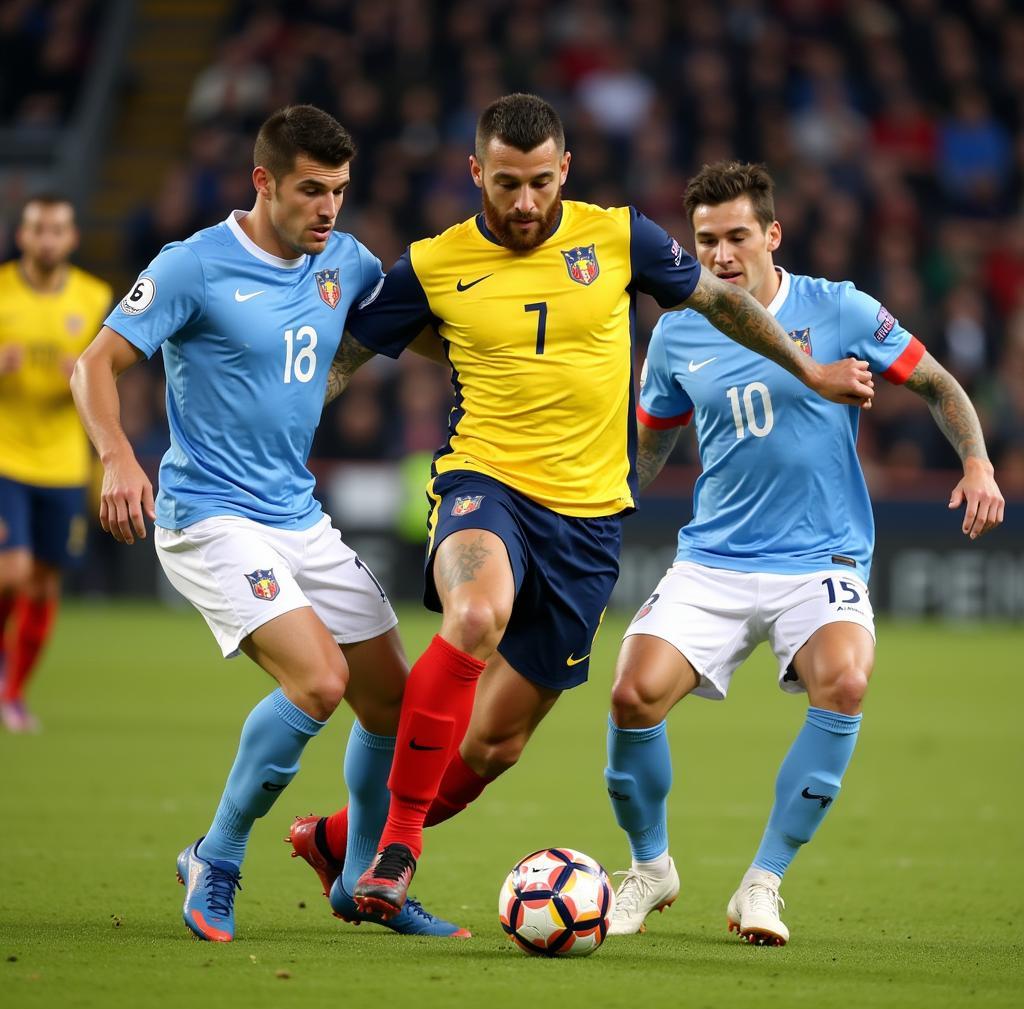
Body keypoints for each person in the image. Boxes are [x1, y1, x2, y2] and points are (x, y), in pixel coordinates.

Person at [290, 94, 875, 921]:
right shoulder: (435, 264)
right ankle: (397, 850)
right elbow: (338, 361)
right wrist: (265, 432)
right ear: (475, 174)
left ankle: (337, 839)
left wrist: (810, 369)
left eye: (538, 182)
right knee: (474, 617)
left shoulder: (620, 237)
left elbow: (723, 303)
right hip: (482, 484)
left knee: (494, 744)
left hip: (587, 523)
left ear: (564, 169)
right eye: (504, 184)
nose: (524, 203)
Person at [70, 105, 467, 942]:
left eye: (341, 192)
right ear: (264, 183)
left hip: (297, 515)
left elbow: (418, 332)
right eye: (312, 191)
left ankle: (357, 872)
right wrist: (115, 454)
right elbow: (94, 362)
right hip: (209, 516)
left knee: (393, 706)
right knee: (319, 682)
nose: (329, 209)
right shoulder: (193, 267)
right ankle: (215, 855)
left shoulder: (346, 263)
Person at [602, 161, 1005, 945]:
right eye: (706, 240)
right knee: (630, 696)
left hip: (819, 560)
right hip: (713, 559)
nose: (720, 255)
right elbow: (650, 449)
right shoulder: (678, 328)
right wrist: (601, 505)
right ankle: (650, 870)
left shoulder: (840, 308)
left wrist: (978, 461)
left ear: (772, 235)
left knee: (846, 680)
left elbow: (939, 385)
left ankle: (764, 882)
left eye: (737, 237)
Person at [0, 195, 112, 733]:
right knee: (12, 572)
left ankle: (14, 693)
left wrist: (86, 376)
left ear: (71, 239)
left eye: (58, 230)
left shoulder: (94, 297)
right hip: (6, 455)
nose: (48, 239)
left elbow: (111, 375)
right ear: (22, 237)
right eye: (38, 229)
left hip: (65, 463)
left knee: (43, 584)